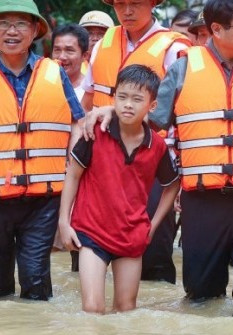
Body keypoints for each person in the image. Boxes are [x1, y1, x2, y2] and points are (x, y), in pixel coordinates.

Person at [84, 0, 233, 319]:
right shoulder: (184, 67)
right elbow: (152, 118)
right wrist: (112, 110)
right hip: (201, 203)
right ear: (217, 30)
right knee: (201, 299)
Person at [81, 0, 191, 285]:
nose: (127, 10)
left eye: (136, 3)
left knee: (152, 251)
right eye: (120, 4)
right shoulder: (104, 42)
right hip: (102, 159)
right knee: (90, 244)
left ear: (153, 4)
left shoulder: (174, 48)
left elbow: (185, 110)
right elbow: (89, 99)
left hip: (150, 159)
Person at [58, 64, 179, 314]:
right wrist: (63, 222)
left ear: (152, 106)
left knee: (126, 309)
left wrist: (152, 226)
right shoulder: (95, 134)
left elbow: (172, 185)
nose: (128, 105)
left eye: (137, 99)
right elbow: (72, 175)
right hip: (92, 231)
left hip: (132, 235)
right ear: (113, 99)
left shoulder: (156, 146)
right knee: (92, 308)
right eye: (122, 97)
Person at [0, 0, 85, 301]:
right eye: (4, 23)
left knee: (35, 281)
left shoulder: (53, 72)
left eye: (21, 23)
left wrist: (73, 176)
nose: (12, 31)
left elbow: (77, 123)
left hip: (43, 200)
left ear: (35, 30)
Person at [50, 23, 90, 260]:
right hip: (48, 183)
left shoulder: (93, 90)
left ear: (84, 55)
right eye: (57, 50)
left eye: (69, 50)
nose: (62, 57)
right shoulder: (40, 87)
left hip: (84, 185)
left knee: (80, 252)